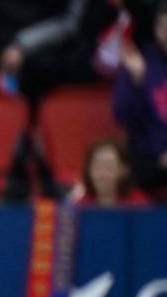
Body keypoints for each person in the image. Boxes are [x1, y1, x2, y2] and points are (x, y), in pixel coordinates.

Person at [114, 1, 167, 192]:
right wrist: (137, 80)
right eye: (162, 26)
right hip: (150, 160)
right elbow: (124, 117)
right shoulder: (140, 60)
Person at [70, 136, 152, 205]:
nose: (102, 173)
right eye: (97, 167)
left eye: (109, 167)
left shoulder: (138, 204)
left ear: (124, 170)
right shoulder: (81, 205)